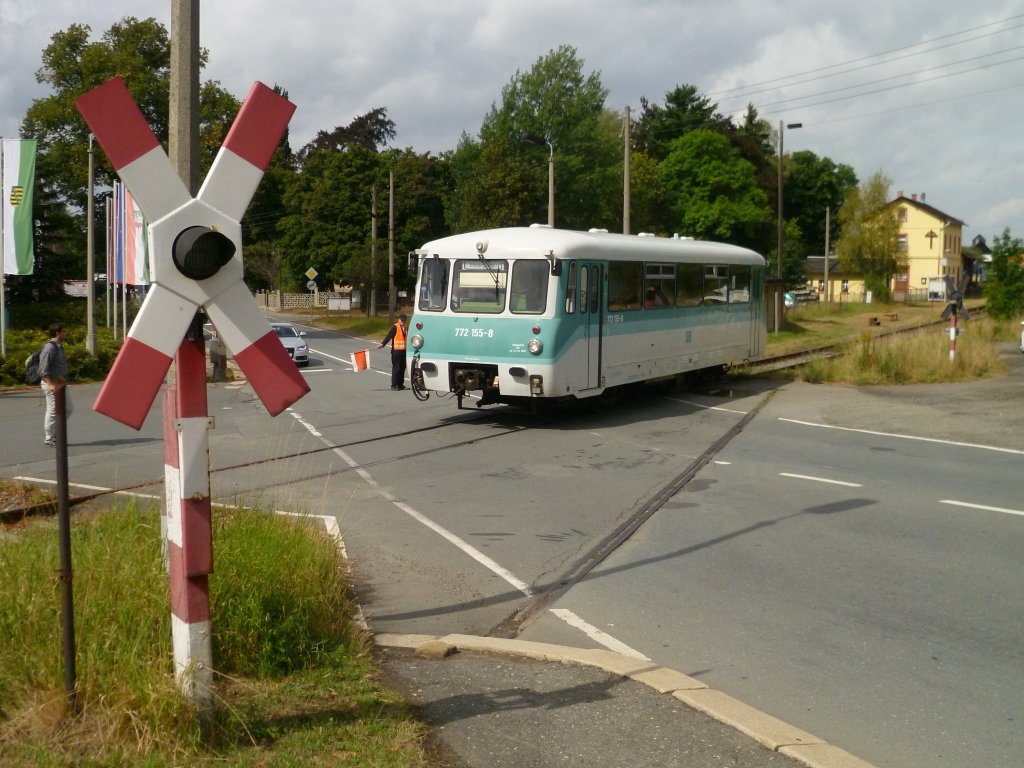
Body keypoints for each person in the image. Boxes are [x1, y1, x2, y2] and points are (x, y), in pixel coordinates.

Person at [39, 322, 73, 446]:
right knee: (53, 410)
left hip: (60, 383)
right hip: (51, 383)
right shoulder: (50, 347)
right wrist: (50, 384)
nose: (66, 333)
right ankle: (49, 437)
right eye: (64, 331)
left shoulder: (59, 346)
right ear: (57, 333)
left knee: (68, 408)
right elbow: (43, 369)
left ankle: (56, 432)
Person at [377, 314, 409, 390]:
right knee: (396, 368)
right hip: (396, 350)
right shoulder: (395, 327)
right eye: (402, 320)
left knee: (402, 368)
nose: (403, 322)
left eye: (404, 320)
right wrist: (383, 344)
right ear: (399, 320)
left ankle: (400, 385)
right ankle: (394, 385)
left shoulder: (406, 327)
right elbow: (389, 336)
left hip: (404, 351)